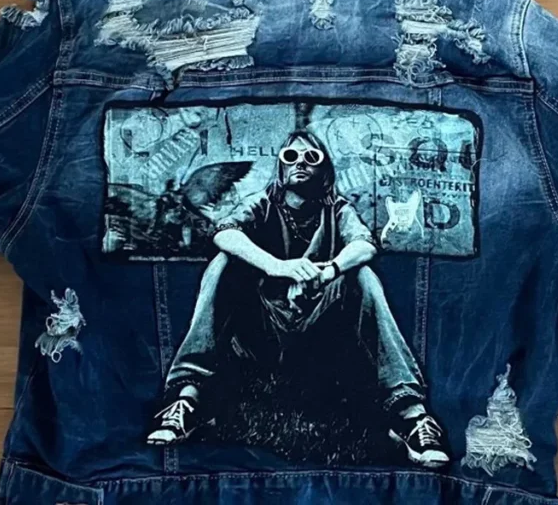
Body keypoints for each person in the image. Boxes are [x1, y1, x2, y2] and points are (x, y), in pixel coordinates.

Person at [146, 130, 448, 468]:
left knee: (363, 276)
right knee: (223, 264)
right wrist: (277, 267)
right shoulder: (263, 203)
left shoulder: (337, 209)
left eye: (310, 157)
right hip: (263, 331)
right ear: (281, 167)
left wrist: (330, 270)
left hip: (320, 329)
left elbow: (364, 245)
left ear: (323, 168)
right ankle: (188, 400)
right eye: (291, 156)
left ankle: (411, 416)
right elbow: (225, 233)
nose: (300, 163)